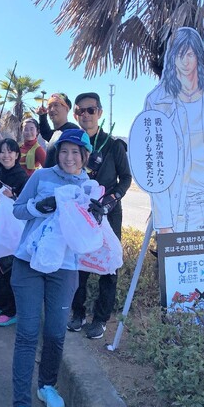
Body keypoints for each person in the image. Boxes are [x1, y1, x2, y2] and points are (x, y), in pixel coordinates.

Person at [9, 129, 95, 407]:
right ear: (57, 152)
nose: (69, 158)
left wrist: (97, 216)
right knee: (27, 333)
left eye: (76, 152)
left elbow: (90, 231)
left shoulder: (88, 186)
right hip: (28, 262)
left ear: (84, 156)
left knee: (56, 332)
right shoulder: (41, 176)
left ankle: (46, 385)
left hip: (66, 266)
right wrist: (38, 206)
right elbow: (18, 210)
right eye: (64, 151)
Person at [144, 27, 204, 233]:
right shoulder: (157, 101)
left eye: (190, 54)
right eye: (179, 54)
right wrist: (164, 221)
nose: (185, 61)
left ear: (198, 57)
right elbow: (156, 167)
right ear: (172, 57)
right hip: (181, 205)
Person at [67, 93, 133, 339]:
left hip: (108, 212)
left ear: (100, 112)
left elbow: (125, 178)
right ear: (75, 115)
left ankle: (101, 319)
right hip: (82, 213)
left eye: (90, 110)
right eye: (80, 111)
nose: (85, 115)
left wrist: (113, 198)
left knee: (109, 265)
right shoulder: (74, 146)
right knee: (78, 262)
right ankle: (78, 313)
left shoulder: (113, 145)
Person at [0, 139, 29, 327]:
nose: (6, 155)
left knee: (8, 270)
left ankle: (11, 310)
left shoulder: (22, 177)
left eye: (10, 151)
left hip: (13, 232)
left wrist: (14, 196)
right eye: (2, 152)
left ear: (17, 155)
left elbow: (27, 203)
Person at [35, 92, 78, 167]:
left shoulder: (73, 131)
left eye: (56, 105)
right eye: (49, 106)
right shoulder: (57, 133)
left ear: (67, 108)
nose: (52, 109)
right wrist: (42, 116)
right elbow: (46, 133)